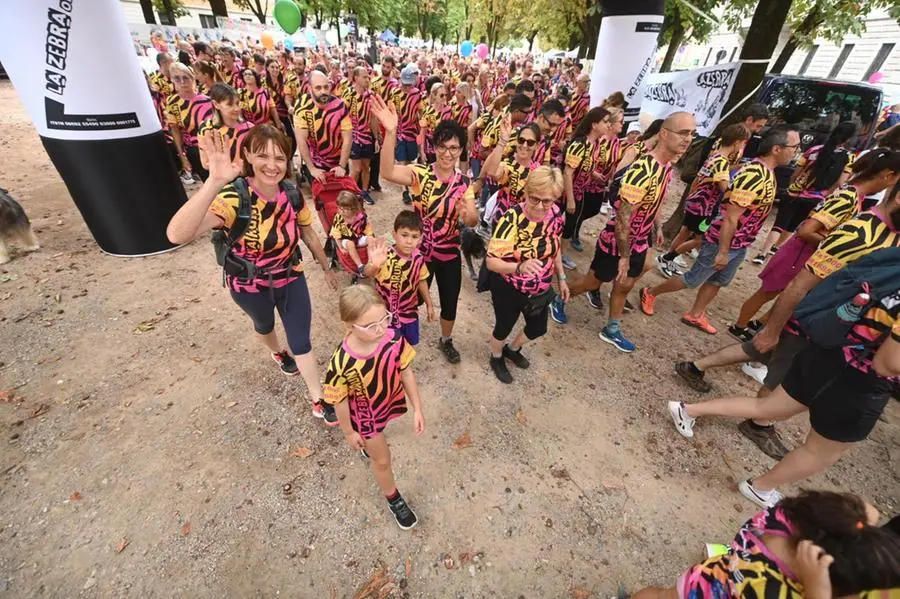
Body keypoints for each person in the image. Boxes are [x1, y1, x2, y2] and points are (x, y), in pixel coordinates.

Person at [674, 182, 900, 461]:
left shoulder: (890, 236)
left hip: (827, 324)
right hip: (814, 322)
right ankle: (757, 423)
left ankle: (695, 367)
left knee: (758, 349)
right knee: (781, 376)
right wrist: (774, 327)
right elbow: (800, 283)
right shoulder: (860, 232)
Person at [668, 276, 900, 508]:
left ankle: (687, 410)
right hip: (859, 381)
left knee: (768, 408)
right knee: (821, 451)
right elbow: (887, 363)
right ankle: (760, 487)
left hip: (830, 353)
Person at [166, 125, 339, 425]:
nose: (272, 166)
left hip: (290, 276)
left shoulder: (292, 193)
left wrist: (325, 268)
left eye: (280, 158)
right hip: (248, 285)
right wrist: (214, 182)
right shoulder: (235, 197)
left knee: (302, 341)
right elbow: (177, 234)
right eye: (262, 156)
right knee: (264, 324)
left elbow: (309, 234)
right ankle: (277, 352)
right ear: (247, 155)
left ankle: (318, 398)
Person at [550, 112, 694, 353]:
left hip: (637, 241)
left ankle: (612, 329)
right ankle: (558, 299)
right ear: (663, 134)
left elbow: (655, 202)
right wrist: (625, 257)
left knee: (624, 286)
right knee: (592, 281)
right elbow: (623, 219)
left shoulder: (666, 167)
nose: (688, 139)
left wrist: (656, 227)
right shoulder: (642, 171)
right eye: (683, 133)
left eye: (692, 133)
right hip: (617, 242)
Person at [639, 127, 801, 336]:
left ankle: (696, 314)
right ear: (777, 149)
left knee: (718, 281)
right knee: (693, 279)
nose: (797, 152)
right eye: (794, 147)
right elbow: (730, 217)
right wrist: (723, 251)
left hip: (739, 243)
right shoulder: (754, 175)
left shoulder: (767, 173)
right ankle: (650, 292)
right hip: (722, 241)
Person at [728, 148, 900, 343]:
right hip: (800, 252)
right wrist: (838, 244)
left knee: (784, 295)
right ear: (888, 175)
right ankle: (739, 325)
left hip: (808, 254)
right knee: (768, 292)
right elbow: (806, 230)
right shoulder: (848, 197)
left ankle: (757, 324)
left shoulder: (854, 196)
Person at [632, 490, 900, 598]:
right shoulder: (776, 590)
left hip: (706, 577)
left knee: (661, 595)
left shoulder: (782, 519)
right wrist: (818, 591)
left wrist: (854, 527)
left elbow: (866, 512)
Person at [372, 95, 478, 364]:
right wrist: (391, 132)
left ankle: (446, 339)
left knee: (449, 300)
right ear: (434, 147)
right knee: (409, 300)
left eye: (454, 148)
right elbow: (386, 172)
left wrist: (469, 216)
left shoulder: (464, 183)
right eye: (442, 147)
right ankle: (391, 335)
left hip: (448, 254)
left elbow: (472, 220)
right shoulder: (420, 174)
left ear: (461, 150)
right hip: (416, 253)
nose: (447, 153)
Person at [323, 285, 425, 530]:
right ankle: (393, 498)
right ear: (348, 325)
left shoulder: (394, 338)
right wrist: (349, 431)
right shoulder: (341, 363)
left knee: (378, 450)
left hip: (387, 402)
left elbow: (406, 371)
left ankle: (370, 449)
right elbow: (339, 400)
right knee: (382, 460)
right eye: (370, 326)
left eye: (385, 319)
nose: (381, 329)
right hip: (365, 417)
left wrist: (418, 408)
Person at [486, 166, 568, 383]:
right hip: (509, 285)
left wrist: (561, 277)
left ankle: (512, 350)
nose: (541, 207)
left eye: (547, 201)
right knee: (503, 326)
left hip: (540, 288)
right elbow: (491, 261)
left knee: (538, 327)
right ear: (526, 193)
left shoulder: (556, 216)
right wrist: (519, 267)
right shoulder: (511, 220)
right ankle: (496, 356)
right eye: (535, 199)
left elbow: (556, 245)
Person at [753, 121, 857, 264]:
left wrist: (793, 186)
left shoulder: (814, 150)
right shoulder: (849, 158)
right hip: (816, 198)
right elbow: (840, 183)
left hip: (794, 192)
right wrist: (827, 195)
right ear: (849, 138)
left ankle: (762, 253)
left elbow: (796, 173)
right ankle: (776, 249)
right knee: (794, 224)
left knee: (779, 223)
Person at [656, 124, 751, 278]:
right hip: (703, 207)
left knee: (686, 232)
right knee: (701, 239)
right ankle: (666, 258)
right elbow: (724, 189)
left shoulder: (715, 157)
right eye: (743, 142)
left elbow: (698, 180)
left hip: (696, 203)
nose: (743, 146)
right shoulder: (721, 163)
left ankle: (668, 258)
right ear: (736, 142)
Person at [363, 211, 435, 346]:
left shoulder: (418, 257)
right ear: (394, 234)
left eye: (414, 236)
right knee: (389, 348)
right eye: (404, 235)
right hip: (386, 316)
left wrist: (429, 304)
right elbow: (368, 273)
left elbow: (422, 279)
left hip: (410, 314)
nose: (409, 241)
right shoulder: (386, 256)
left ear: (420, 239)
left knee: (408, 346)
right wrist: (375, 264)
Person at [560, 107, 613, 269]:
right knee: (558, 221)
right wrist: (570, 199)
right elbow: (568, 173)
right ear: (594, 124)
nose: (609, 125)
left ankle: (560, 256)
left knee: (570, 224)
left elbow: (583, 165)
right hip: (564, 193)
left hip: (579, 192)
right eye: (606, 122)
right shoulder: (580, 144)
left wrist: (594, 173)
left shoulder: (595, 144)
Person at [480, 116, 542, 226]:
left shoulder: (538, 171)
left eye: (530, 142)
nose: (524, 145)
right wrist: (503, 140)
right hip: (502, 220)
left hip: (524, 224)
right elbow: (492, 173)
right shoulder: (508, 164)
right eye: (521, 140)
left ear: (537, 145)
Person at [294, 70, 352, 184]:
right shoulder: (302, 106)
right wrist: (311, 169)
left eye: (326, 87)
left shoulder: (339, 106)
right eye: (318, 88)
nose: (323, 91)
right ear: (310, 88)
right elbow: (301, 140)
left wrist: (342, 165)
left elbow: (348, 138)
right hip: (315, 163)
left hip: (338, 161)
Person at [165, 62, 214, 183]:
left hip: (214, 147)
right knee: (209, 184)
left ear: (192, 78)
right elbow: (176, 131)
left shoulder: (208, 98)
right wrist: (182, 157)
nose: (182, 82)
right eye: (177, 78)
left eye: (185, 77)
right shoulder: (173, 102)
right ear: (172, 80)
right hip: (194, 151)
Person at [198, 83, 254, 170]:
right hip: (222, 180)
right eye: (230, 104)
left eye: (237, 103)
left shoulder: (250, 128)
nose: (236, 108)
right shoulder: (206, 128)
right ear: (216, 104)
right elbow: (205, 163)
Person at [343, 66, 378, 205]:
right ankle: (349, 194)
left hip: (367, 136)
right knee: (356, 168)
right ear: (356, 78)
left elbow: (373, 119)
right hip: (354, 135)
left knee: (365, 167)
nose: (367, 79)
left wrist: (376, 138)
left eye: (368, 77)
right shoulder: (348, 94)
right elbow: (342, 115)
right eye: (364, 77)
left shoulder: (371, 96)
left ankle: (364, 192)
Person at [391, 64, 423, 204]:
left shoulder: (418, 95)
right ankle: (405, 191)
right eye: (404, 84)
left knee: (410, 162)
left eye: (409, 85)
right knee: (403, 163)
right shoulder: (394, 93)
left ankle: (411, 186)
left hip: (412, 134)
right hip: (399, 134)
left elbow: (422, 114)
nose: (406, 88)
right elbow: (391, 112)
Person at [329, 191, 372, 278]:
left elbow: (367, 229)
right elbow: (336, 234)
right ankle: (360, 266)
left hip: (358, 237)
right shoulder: (338, 218)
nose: (342, 211)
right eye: (340, 208)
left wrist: (370, 237)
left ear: (354, 208)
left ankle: (370, 263)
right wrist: (340, 247)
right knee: (350, 243)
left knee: (371, 240)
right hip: (346, 239)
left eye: (345, 209)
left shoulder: (360, 217)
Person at [417, 82, 453, 165]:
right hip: (430, 150)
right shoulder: (427, 111)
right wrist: (421, 152)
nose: (444, 97)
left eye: (445, 95)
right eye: (441, 95)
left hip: (445, 150)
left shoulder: (449, 111)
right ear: (434, 96)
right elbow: (422, 133)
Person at [264, 58, 294, 151]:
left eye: (277, 67)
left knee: (292, 139)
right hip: (271, 116)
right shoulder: (263, 83)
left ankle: (289, 159)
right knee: (276, 141)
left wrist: (289, 106)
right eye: (272, 67)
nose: (275, 69)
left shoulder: (283, 81)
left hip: (284, 115)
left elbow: (287, 96)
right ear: (267, 68)